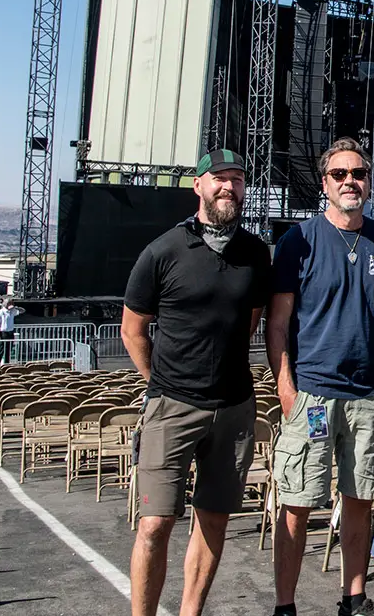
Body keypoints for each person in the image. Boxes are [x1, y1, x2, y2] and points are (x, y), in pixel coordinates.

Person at [120, 149, 274, 616]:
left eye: (238, 180)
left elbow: (251, 322)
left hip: (233, 408)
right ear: (198, 186)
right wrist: (161, 382)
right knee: (154, 524)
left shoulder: (255, 253)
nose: (229, 187)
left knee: (214, 520)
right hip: (172, 406)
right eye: (220, 179)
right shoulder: (163, 251)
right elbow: (133, 329)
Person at [268, 138, 374, 616]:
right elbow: (278, 323)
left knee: (359, 499)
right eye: (340, 174)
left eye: (359, 173)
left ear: (369, 181)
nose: (351, 181)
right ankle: (285, 605)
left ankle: (354, 598)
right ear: (324, 183)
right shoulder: (298, 240)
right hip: (312, 395)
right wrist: (287, 391)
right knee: (297, 503)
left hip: (368, 396)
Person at [0, 297, 21, 365]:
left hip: (10, 332)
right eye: (10, 303)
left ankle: (6, 364)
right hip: (3, 333)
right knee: (1, 350)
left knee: (9, 350)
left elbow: (22, 311)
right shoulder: (0, 312)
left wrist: (14, 307)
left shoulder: (12, 311)